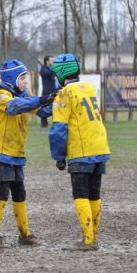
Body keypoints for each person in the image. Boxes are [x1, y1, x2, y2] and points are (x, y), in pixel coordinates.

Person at [0, 60, 56, 248]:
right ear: (11, 79)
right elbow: (14, 107)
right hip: (0, 154)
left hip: (17, 154)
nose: (26, 82)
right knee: (2, 193)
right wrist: (42, 98)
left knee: (20, 193)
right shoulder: (1, 96)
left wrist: (59, 99)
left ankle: (24, 234)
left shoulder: (24, 96)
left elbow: (42, 112)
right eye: (22, 78)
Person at [49, 54, 110, 251]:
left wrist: (59, 157)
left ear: (59, 74)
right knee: (94, 193)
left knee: (80, 194)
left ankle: (87, 240)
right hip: (100, 147)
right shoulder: (88, 88)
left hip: (81, 150)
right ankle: (94, 237)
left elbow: (59, 129)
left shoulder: (64, 94)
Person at [40, 55, 56, 127]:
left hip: (54, 91)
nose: (53, 62)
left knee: (55, 107)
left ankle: (55, 122)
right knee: (45, 108)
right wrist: (53, 68)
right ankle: (44, 123)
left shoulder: (52, 69)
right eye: (52, 61)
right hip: (46, 92)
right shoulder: (43, 69)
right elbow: (48, 74)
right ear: (47, 61)